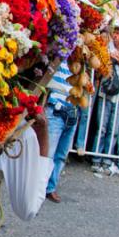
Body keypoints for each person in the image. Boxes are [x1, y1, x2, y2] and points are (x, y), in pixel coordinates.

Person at [91, 21, 119, 176]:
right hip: (105, 91)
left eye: (118, 33)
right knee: (101, 127)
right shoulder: (106, 48)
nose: (115, 36)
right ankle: (96, 158)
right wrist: (108, 59)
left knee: (113, 130)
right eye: (114, 32)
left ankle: (107, 160)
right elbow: (98, 68)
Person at [44, 61, 77, 202]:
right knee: (48, 154)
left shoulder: (80, 63)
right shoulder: (59, 56)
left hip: (73, 109)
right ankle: (39, 187)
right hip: (55, 108)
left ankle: (50, 187)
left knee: (61, 154)